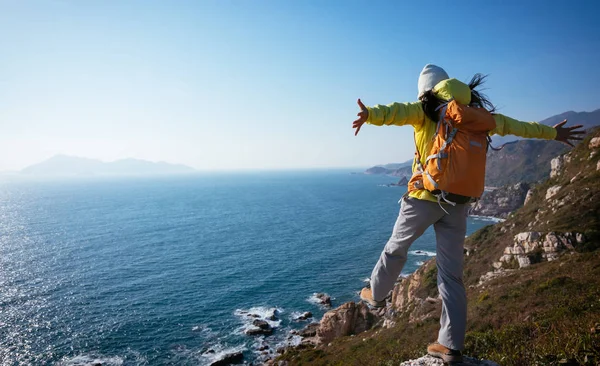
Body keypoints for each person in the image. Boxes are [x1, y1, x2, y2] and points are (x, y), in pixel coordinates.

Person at [352, 64, 584, 363]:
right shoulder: (476, 117)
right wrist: (553, 132)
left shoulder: (425, 109)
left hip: (424, 197)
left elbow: (396, 111)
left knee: (396, 249)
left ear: (425, 90)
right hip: (458, 204)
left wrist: (371, 114)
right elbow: (517, 126)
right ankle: (451, 346)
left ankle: (377, 294)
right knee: (451, 276)